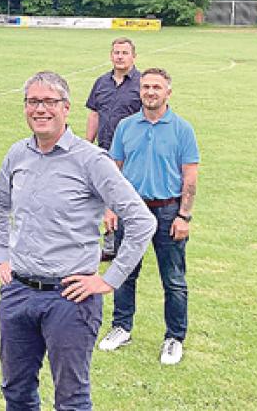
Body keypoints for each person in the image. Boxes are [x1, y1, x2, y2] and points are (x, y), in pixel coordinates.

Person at [0, 71, 155, 410]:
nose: (40, 110)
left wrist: (109, 280)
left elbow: (141, 220)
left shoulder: (91, 160)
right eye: (33, 101)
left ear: (66, 108)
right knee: (16, 391)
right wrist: (1, 255)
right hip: (18, 293)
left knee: (71, 398)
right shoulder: (17, 155)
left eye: (49, 102)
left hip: (69, 298)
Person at [98, 68, 199, 365]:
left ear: (168, 92)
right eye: (146, 87)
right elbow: (112, 169)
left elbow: (190, 178)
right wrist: (109, 207)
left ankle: (174, 338)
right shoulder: (126, 126)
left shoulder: (182, 129)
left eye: (157, 87)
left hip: (168, 210)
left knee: (174, 279)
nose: (150, 92)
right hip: (131, 210)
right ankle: (121, 327)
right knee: (124, 271)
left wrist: (184, 216)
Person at [85, 37, 142, 260]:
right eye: (116, 52)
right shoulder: (101, 83)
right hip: (105, 150)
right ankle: (110, 245)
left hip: (132, 152)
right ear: (111, 55)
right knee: (106, 196)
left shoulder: (141, 84)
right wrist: (88, 143)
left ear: (133, 57)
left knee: (128, 196)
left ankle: (132, 240)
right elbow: (94, 113)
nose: (119, 56)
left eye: (124, 52)